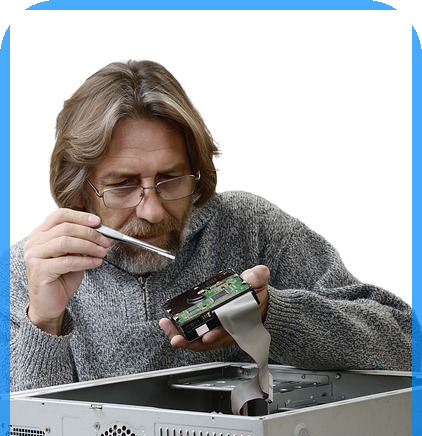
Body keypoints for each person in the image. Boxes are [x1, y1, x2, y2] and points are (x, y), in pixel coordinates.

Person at [9, 59, 418, 393]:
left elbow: (407, 344)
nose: (152, 211)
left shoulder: (251, 228)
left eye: (171, 179)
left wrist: (273, 315)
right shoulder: (27, 273)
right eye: (123, 185)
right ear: (79, 190)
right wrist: (44, 322)